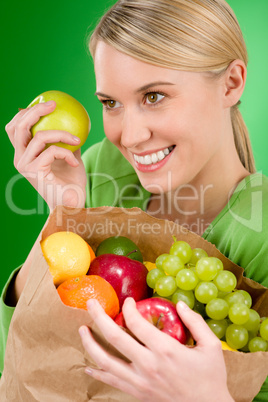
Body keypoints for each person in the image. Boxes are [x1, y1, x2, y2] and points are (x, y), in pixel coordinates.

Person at [1, 0, 268, 400]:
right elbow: (23, 352)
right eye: (111, 103)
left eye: (154, 96)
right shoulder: (103, 172)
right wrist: (65, 214)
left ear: (230, 83)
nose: (129, 136)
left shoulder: (259, 231)